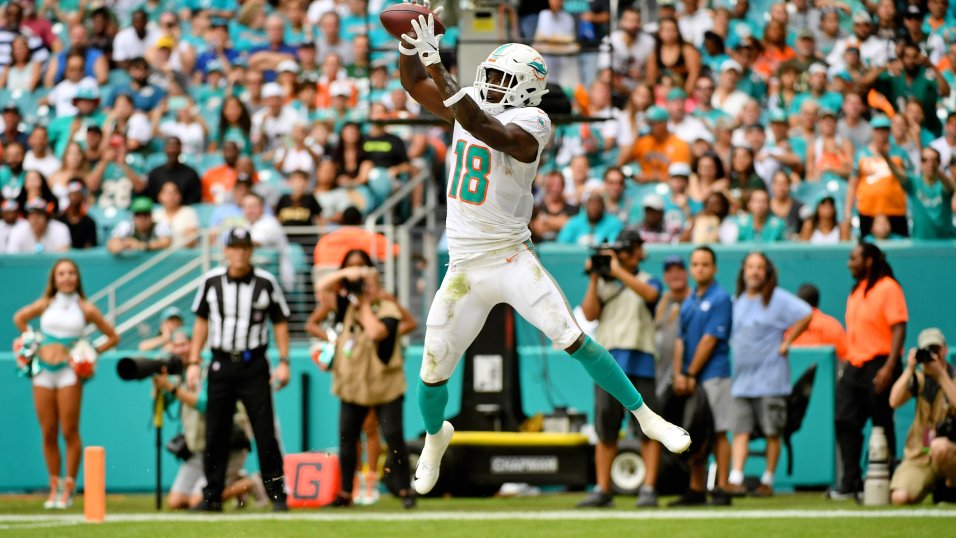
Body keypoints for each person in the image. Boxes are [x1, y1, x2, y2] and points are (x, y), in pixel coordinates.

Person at [398, 2, 690, 496]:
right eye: (488, 75)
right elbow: (414, 85)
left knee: (572, 336)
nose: (490, 84)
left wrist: (437, 63)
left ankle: (645, 416)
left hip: (511, 258)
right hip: (465, 265)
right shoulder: (466, 97)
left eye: (501, 79)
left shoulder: (534, 120)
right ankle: (434, 437)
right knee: (431, 371)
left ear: (527, 87)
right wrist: (410, 45)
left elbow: (486, 129)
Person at [186, 227, 291, 512]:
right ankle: (212, 496)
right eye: (236, 247)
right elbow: (201, 323)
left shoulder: (266, 282)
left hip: (254, 364)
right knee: (215, 432)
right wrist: (194, 362)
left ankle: (277, 494)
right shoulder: (211, 282)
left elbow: (280, 322)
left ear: (251, 250)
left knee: (265, 431)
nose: (241, 252)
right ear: (226, 251)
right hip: (220, 363)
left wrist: (284, 361)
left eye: (246, 247)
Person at [13, 259, 119, 508]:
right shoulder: (46, 303)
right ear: (54, 278)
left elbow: (113, 336)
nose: (67, 277)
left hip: (68, 373)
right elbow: (20, 318)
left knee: (69, 430)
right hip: (42, 372)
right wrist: (30, 340)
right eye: (62, 273)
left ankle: (69, 486)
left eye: (71, 273)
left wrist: (90, 352)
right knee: (48, 431)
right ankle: (54, 486)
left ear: (77, 278)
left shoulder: (86, 308)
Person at [314, 255, 418, 508]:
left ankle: (405, 489)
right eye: (361, 284)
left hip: (386, 385)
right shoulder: (344, 305)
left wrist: (363, 303)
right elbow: (321, 286)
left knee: (393, 436)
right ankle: (346, 492)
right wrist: (347, 276)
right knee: (347, 438)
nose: (364, 288)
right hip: (353, 385)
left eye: (368, 283)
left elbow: (375, 332)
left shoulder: (387, 309)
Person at [577, 230, 664, 508]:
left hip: (641, 360)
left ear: (638, 251)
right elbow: (589, 314)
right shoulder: (604, 284)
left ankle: (649, 487)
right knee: (606, 428)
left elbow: (651, 295)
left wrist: (616, 270)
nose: (624, 256)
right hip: (609, 362)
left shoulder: (648, 280)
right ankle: (603, 489)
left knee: (648, 428)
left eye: (628, 250)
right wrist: (595, 277)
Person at [725, 252, 812, 497]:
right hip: (742, 382)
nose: (754, 272)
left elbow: (806, 313)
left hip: (771, 381)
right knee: (740, 430)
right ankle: (736, 478)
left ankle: (768, 480)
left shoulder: (778, 298)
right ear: (743, 271)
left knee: (773, 432)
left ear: (767, 272)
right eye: (750, 267)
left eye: (759, 267)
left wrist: (788, 342)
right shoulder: (738, 300)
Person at [830, 243, 908, 500]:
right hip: (855, 366)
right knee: (844, 420)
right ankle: (849, 481)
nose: (849, 263)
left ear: (869, 261)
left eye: (854, 258)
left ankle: (884, 480)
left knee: (882, 423)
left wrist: (889, 366)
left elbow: (898, 327)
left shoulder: (888, 287)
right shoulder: (856, 290)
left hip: (880, 363)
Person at [153, 329, 261, 510]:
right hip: (199, 449)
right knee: (176, 502)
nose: (180, 350)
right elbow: (163, 405)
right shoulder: (179, 373)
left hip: (226, 446)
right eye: (176, 346)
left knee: (198, 501)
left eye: (184, 344)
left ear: (195, 345)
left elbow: (206, 404)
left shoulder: (212, 368)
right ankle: (237, 480)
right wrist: (159, 386)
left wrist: (172, 389)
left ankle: (254, 482)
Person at [671, 246, 733, 506]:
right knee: (693, 433)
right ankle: (696, 489)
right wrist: (678, 375)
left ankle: (722, 487)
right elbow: (680, 341)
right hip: (690, 378)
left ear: (714, 268)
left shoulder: (721, 298)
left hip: (713, 374)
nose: (700, 269)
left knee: (718, 431)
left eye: (705, 264)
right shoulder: (689, 300)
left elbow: (709, 340)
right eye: (695, 264)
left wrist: (690, 372)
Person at [888, 328, 956, 505]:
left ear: (945, 350)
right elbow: (893, 401)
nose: (932, 355)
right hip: (921, 455)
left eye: (935, 349)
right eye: (928, 350)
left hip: (950, 451)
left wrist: (941, 375)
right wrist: (909, 369)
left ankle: (950, 488)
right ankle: (933, 486)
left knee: (940, 447)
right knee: (899, 498)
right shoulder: (919, 379)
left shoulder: (952, 377)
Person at [845, 116, 910, 239]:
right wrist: (848, 211)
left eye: (884, 130)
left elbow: (907, 180)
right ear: (872, 131)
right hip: (867, 209)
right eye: (877, 130)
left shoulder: (900, 153)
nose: (881, 133)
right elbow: (853, 183)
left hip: (895, 209)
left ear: (889, 131)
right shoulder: (861, 154)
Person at [888, 147, 956, 239]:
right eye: (924, 160)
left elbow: (950, 186)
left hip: (945, 242)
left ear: (939, 162)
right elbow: (898, 173)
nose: (929, 164)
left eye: (933, 160)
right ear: (920, 163)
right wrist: (885, 157)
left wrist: (936, 170)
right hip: (920, 241)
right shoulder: (914, 182)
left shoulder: (944, 183)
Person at [107, 197, 173, 255]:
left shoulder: (159, 226)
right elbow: (113, 244)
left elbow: (166, 242)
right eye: (138, 214)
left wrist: (141, 245)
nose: (142, 219)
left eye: (145, 214)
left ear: (151, 216)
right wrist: (125, 244)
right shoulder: (126, 226)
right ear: (133, 216)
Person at [6, 198, 71, 254]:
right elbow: (12, 258)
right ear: (27, 217)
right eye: (32, 215)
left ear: (46, 217)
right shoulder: (17, 231)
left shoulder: (60, 229)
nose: (35, 219)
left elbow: (63, 257)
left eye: (39, 214)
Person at [556, 195, 622, 246]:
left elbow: (613, 244)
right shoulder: (574, 222)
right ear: (585, 207)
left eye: (597, 205)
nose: (594, 208)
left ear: (603, 207)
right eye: (591, 205)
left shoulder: (614, 223)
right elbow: (562, 245)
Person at [56, 179, 96, 250]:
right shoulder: (59, 220)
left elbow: (89, 248)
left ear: (82, 196)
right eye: (72, 193)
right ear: (68, 195)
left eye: (77, 193)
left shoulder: (89, 222)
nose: (74, 197)